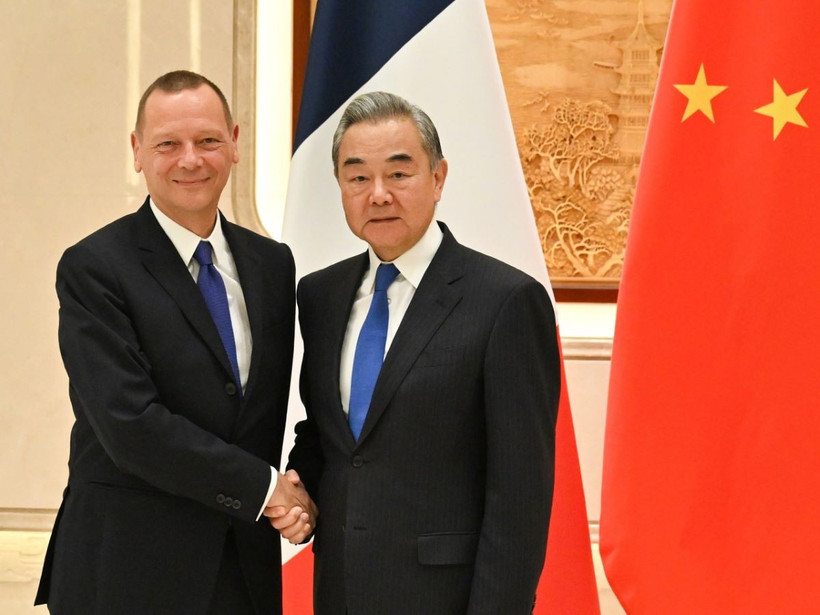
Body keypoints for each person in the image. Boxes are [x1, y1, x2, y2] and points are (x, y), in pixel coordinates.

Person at [35, 70, 315, 615]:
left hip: (244, 569)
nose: (190, 160)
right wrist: (266, 489)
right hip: (128, 570)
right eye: (168, 144)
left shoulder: (272, 265)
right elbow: (129, 424)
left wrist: (301, 486)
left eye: (208, 140)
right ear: (138, 151)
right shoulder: (94, 268)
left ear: (235, 143)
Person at [284, 91, 560, 614]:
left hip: (445, 598)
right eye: (358, 177)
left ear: (437, 178)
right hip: (340, 591)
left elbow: (519, 494)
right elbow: (330, 435)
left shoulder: (504, 301)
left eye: (399, 173)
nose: (378, 194)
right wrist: (299, 489)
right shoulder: (320, 295)